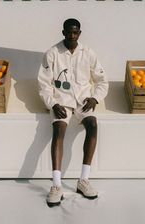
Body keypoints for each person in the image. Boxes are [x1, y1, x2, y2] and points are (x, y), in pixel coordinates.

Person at [38, 18, 109, 207]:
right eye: (68, 32)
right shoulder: (52, 53)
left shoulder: (89, 53)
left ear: (80, 33)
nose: (72, 35)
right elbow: (44, 84)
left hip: (84, 102)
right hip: (61, 102)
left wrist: (95, 98)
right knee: (59, 130)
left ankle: (83, 181)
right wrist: (52, 103)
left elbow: (102, 81)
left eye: (75, 32)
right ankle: (56, 185)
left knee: (93, 126)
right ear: (63, 32)